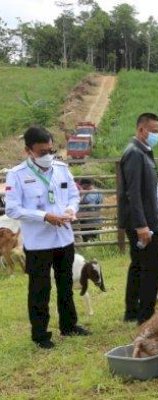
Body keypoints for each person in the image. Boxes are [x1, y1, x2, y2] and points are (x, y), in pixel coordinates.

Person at [5, 126, 90, 349]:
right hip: (38, 243)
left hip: (64, 239)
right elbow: (13, 209)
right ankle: (41, 334)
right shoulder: (17, 175)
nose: (47, 156)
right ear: (28, 151)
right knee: (40, 289)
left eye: (50, 150)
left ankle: (69, 325)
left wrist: (71, 209)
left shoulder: (61, 169)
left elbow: (73, 194)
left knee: (65, 284)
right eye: (42, 152)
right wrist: (44, 216)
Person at [117, 113, 158, 325]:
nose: (156, 135)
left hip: (143, 219)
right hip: (143, 222)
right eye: (153, 131)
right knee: (154, 266)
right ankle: (146, 314)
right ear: (141, 130)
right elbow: (132, 193)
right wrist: (141, 225)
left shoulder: (142, 151)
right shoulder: (135, 153)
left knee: (138, 263)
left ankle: (132, 310)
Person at [78, 178, 103, 242]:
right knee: (92, 240)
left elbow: (89, 204)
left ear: (86, 185)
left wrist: (82, 194)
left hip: (90, 222)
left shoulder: (92, 194)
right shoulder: (97, 192)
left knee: (90, 240)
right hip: (93, 221)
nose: (80, 187)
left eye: (81, 185)